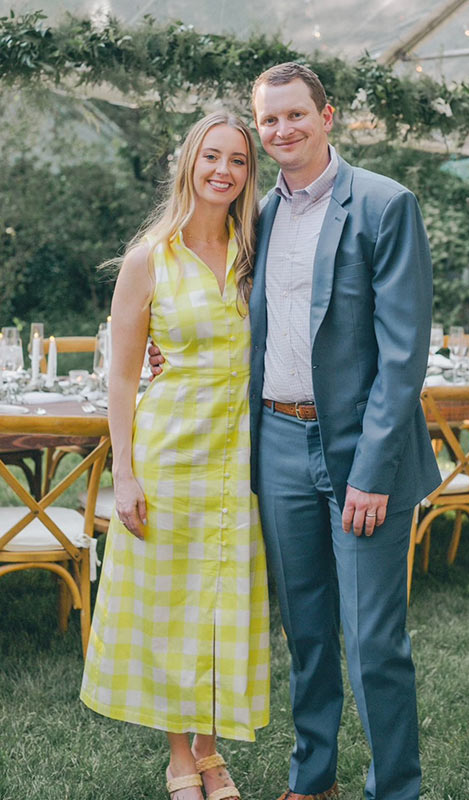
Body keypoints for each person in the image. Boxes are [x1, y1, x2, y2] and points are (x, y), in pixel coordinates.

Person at [151, 63, 440, 800]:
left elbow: (404, 356)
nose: (281, 131)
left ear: (327, 117)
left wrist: (372, 470)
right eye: (268, 120)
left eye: (294, 116)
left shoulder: (384, 204)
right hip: (276, 444)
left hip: (362, 454)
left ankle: (393, 789)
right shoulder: (257, 215)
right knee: (306, 634)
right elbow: (220, 307)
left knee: (373, 640)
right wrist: (164, 347)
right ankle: (313, 780)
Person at [80, 112, 270, 800]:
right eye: (211, 157)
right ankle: (178, 757)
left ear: (250, 174)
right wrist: (124, 474)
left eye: (239, 161)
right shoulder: (147, 258)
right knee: (169, 603)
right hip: (168, 453)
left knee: (224, 599)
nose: (224, 171)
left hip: (240, 456)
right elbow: (124, 375)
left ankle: (213, 750)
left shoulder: (259, 251)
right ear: (188, 163)